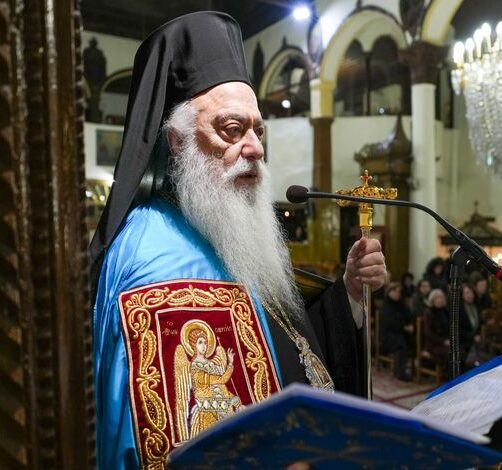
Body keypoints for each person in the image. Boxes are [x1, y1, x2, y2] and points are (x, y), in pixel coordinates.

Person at [89, 12, 387, 468]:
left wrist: (347, 293)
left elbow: (286, 346)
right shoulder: (158, 263)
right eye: (232, 130)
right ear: (177, 141)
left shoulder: (224, 231)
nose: (255, 148)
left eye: (257, 131)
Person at [379, 282, 414, 381]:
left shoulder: (401, 303)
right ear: (389, 292)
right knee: (400, 343)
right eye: (394, 291)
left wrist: (410, 324)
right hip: (388, 335)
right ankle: (400, 373)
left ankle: (413, 369)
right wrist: (404, 327)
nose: (397, 293)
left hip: (400, 332)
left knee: (413, 339)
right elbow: (390, 323)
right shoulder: (386, 306)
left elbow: (409, 315)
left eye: (399, 291)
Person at [423, 289, 450, 372]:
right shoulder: (428, 313)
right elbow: (429, 333)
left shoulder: (445, 311)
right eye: (437, 298)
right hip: (434, 343)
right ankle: (448, 374)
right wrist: (443, 341)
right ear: (432, 300)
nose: (439, 300)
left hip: (446, 341)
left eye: (441, 298)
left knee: (461, 349)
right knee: (450, 353)